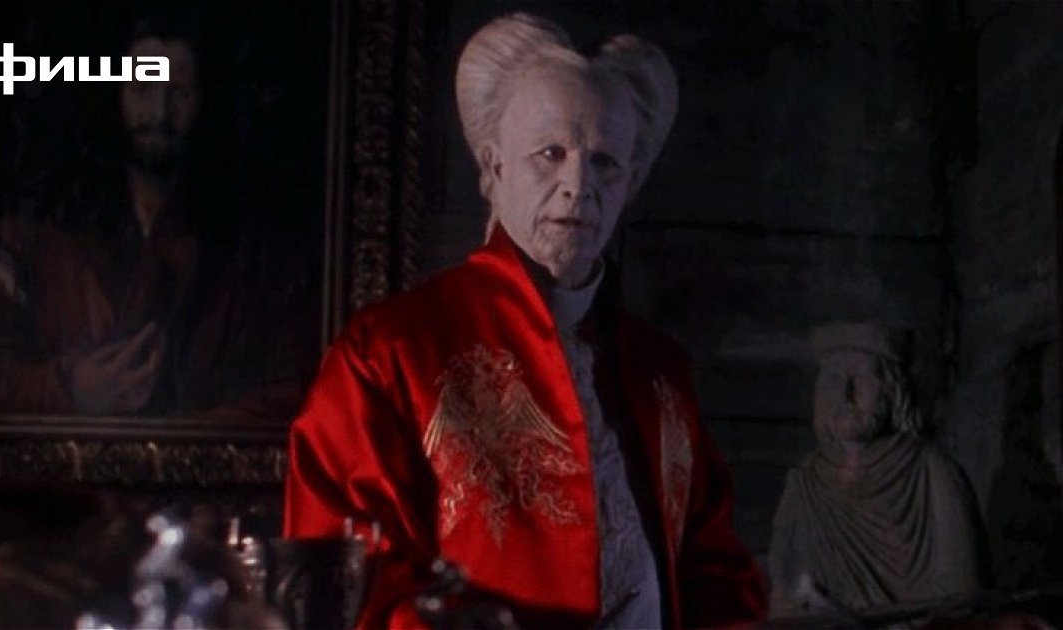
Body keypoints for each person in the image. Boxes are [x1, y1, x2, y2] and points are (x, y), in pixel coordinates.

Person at [284, 13, 765, 628]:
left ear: (632, 182)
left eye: (605, 162)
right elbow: (347, 582)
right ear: (494, 167)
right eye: (550, 154)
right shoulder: (389, 353)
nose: (577, 185)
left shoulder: (658, 372)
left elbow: (715, 575)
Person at [0, 12, 310, 418]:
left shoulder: (250, 245)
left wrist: (187, 439)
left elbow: (288, 390)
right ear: (115, 94)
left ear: (204, 100)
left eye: (179, 92)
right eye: (143, 89)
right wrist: (70, 389)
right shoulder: (33, 234)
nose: (160, 113)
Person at [768, 323, 988, 616]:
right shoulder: (805, 483)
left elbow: (962, 595)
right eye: (833, 379)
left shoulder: (931, 473)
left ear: (894, 390)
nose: (846, 394)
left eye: (862, 378)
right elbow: (785, 590)